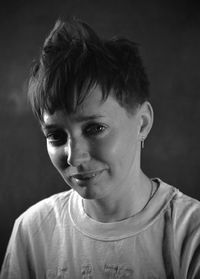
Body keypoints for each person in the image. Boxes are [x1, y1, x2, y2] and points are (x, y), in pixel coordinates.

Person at [1, 17, 200, 279]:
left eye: (95, 128)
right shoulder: (32, 231)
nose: (74, 156)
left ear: (142, 123)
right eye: (56, 136)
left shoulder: (190, 232)